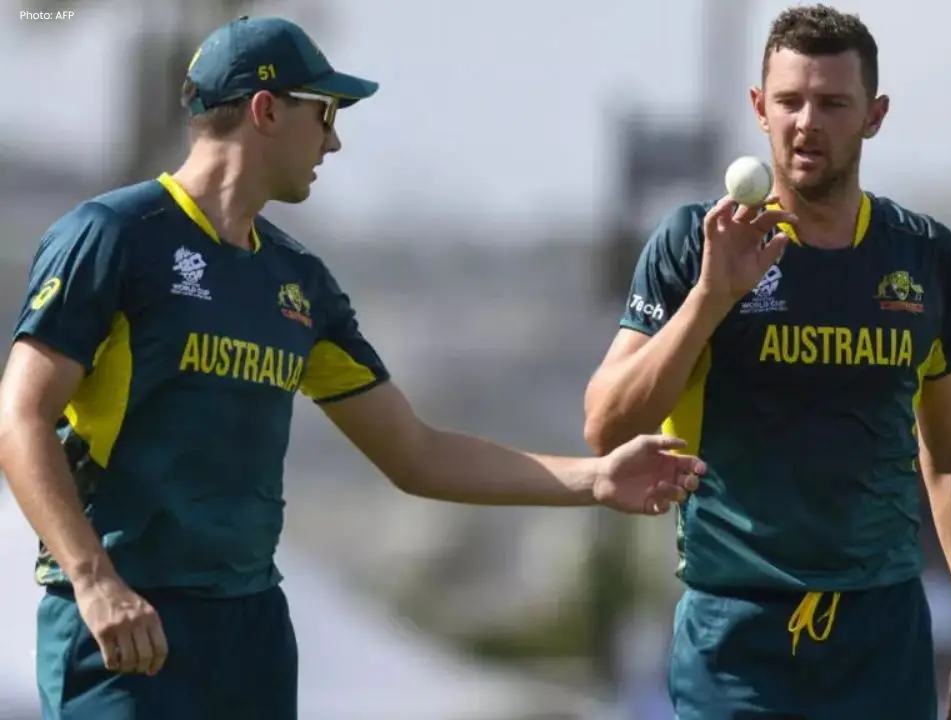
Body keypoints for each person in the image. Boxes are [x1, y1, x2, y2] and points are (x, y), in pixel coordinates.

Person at [0, 16, 703, 720]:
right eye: (324, 113)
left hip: (250, 632)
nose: (334, 140)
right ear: (265, 109)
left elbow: (416, 453)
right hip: (126, 626)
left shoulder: (298, 282)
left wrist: (597, 478)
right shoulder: (115, 237)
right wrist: (94, 581)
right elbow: (19, 416)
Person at [583, 5, 951, 719]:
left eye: (833, 103)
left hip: (881, 634)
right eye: (789, 101)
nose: (807, 122)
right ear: (759, 109)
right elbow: (607, 426)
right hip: (736, 634)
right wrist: (711, 300)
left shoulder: (923, 255)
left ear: (874, 116)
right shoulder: (694, 244)